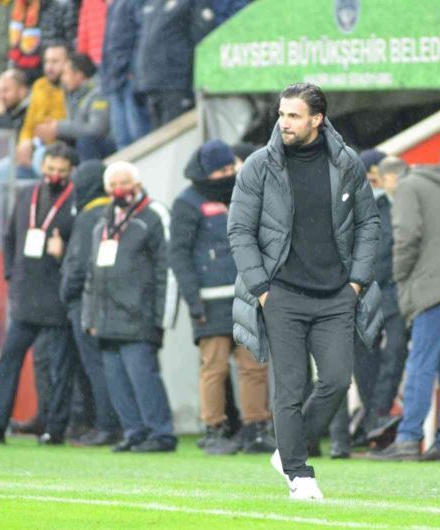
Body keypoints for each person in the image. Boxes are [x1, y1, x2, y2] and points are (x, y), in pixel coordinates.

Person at [228, 83, 380, 500]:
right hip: (281, 294)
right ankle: (299, 473)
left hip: (336, 295)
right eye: (281, 114)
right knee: (290, 389)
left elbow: (369, 223)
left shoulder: (347, 162)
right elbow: (239, 230)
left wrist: (356, 282)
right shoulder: (258, 165)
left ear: (317, 119)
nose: (284, 122)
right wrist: (261, 288)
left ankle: (288, 450)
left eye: (293, 115)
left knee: (337, 380)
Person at [0, 142, 78, 445]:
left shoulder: (75, 200)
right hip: (26, 294)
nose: (54, 175)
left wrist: (63, 252)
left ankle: (55, 428)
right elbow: (10, 236)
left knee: (59, 367)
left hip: (57, 297)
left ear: (70, 171)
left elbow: (82, 251)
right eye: (50, 169)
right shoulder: (28, 195)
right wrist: (10, 275)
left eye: (61, 171)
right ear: (42, 166)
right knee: (9, 362)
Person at [369, 157, 440, 462]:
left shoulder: (407, 187)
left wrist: (400, 276)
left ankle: (408, 439)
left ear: (391, 178)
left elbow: (407, 236)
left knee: (421, 363)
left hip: (433, 287)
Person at [171, 140, 275, 456]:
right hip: (209, 302)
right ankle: (215, 429)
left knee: (254, 367)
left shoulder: (246, 193)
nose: (228, 174)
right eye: (221, 170)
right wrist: (193, 302)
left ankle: (256, 428)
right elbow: (179, 254)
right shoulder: (187, 202)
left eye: (231, 167)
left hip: (248, 298)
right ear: (205, 172)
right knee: (214, 369)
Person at [83, 161, 177, 453]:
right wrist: (90, 316)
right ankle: (134, 431)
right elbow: (92, 273)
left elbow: (168, 268)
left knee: (143, 378)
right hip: (106, 317)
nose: (119, 190)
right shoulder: (103, 221)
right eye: (113, 185)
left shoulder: (154, 215)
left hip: (140, 317)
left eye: (124, 183)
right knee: (117, 381)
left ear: (137, 185)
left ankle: (161, 433)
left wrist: (163, 317)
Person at [59, 160, 121, 446]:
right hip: (110, 301)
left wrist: (66, 292)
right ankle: (113, 423)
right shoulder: (114, 212)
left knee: (96, 367)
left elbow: (79, 264)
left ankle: (105, 425)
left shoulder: (86, 217)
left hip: (84, 303)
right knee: (109, 366)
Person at [357, 153, 409, 445]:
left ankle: (377, 412)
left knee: (396, 349)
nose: (373, 182)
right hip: (364, 291)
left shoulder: (401, 205)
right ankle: (373, 417)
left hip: (394, 289)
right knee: (364, 355)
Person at [35, 52, 114, 161]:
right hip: (84, 147)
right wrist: (54, 130)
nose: (62, 79)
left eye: (65, 74)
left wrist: (59, 127)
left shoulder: (98, 93)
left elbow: (96, 130)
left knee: (85, 141)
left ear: (79, 75)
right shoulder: (73, 95)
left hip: (107, 146)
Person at [136, 0, 195, 129]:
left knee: (173, 132)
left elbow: (198, 35)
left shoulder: (189, 4)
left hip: (174, 80)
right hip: (152, 80)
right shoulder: (152, 4)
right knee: (159, 134)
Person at [101, 0, 151, 150]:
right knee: (121, 138)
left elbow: (143, 35)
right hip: (113, 81)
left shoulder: (133, 3)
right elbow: (107, 46)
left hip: (129, 79)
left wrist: (134, 69)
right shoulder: (113, 7)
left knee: (138, 136)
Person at [17, 43, 68, 171]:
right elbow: (28, 124)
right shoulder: (39, 85)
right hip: (35, 143)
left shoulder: (70, 87)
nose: (49, 67)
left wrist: (54, 129)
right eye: (47, 62)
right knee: (1, 169)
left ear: (67, 63)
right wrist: (25, 142)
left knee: (41, 158)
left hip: (60, 145)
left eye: (55, 61)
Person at [8, 0, 78, 81]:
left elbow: (72, 41)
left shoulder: (63, 5)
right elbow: (15, 44)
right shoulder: (21, 6)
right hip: (23, 74)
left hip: (55, 73)